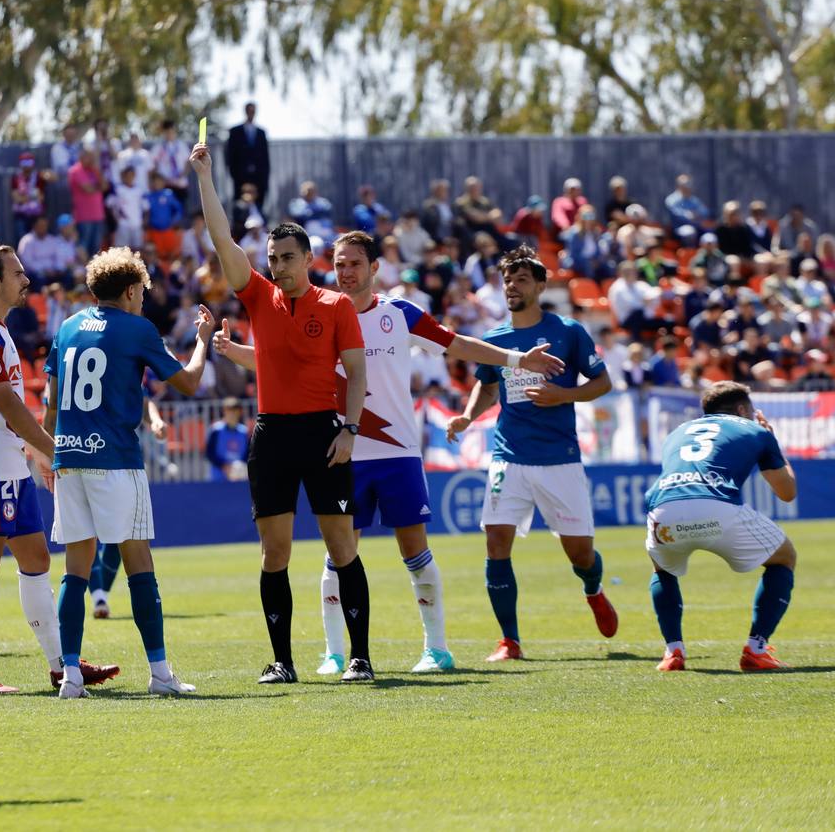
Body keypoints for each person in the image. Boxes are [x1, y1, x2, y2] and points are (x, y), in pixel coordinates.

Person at [217, 232, 564, 674]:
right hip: (340, 450)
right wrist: (233, 352)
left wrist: (516, 360)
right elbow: (275, 360)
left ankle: (436, 648)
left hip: (397, 450)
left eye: (355, 264)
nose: (346, 272)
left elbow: (456, 344)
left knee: (414, 549)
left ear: (374, 268)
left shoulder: (398, 314)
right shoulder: (323, 310)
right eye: (340, 264)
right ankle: (334, 653)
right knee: (338, 554)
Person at [193, 141, 373, 684]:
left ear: (308, 259)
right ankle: (283, 661)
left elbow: (357, 375)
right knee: (275, 552)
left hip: (323, 432)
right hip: (270, 436)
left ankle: (360, 658)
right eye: (272, 258)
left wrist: (350, 430)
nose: (278, 266)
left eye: (287, 257)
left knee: (342, 546)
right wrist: (205, 176)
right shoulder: (256, 296)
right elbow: (221, 236)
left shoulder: (337, 305)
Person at [0, 241, 121, 695]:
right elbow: (7, 405)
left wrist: (38, 452)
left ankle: (60, 664)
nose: (26, 280)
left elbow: (12, 409)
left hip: (6, 460)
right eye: (17, 273)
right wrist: (54, 450)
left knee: (37, 558)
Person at [42, 246, 212, 698]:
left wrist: (49, 456)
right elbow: (190, 383)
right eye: (142, 291)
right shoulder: (137, 329)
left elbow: (51, 403)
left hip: (69, 458)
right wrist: (203, 340)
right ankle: (160, 675)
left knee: (74, 572)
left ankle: (72, 677)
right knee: (139, 564)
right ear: (132, 289)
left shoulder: (68, 327)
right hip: (116, 459)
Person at [446, 246, 616, 662]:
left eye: (521, 279)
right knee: (496, 539)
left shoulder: (569, 331)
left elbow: (603, 382)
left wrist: (565, 395)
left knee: (579, 553)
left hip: (559, 457)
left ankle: (592, 587)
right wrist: (468, 417)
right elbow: (487, 386)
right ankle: (510, 640)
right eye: (507, 279)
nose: (512, 286)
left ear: (540, 286)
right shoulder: (495, 339)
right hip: (509, 455)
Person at [644, 381, 797, 672]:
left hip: (665, 509)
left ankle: (673, 651)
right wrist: (773, 441)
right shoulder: (755, 430)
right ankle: (756, 650)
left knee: (662, 569)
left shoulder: (678, 432)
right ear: (742, 409)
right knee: (785, 557)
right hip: (716, 507)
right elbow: (786, 492)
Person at [225, 102, 270, 214]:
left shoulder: (261, 132)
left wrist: (264, 177)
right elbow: (230, 154)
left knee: (258, 207)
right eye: (249, 111)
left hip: (258, 178)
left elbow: (265, 157)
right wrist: (235, 174)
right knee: (240, 207)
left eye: (253, 111)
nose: (251, 113)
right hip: (240, 177)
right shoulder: (235, 131)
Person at [68, 149, 108, 256]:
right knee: (83, 248)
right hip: (83, 217)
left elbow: (105, 186)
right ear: (81, 157)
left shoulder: (94, 170)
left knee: (96, 250)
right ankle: (82, 272)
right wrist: (98, 186)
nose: (92, 160)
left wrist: (97, 171)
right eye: (89, 157)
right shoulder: (75, 170)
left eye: (93, 157)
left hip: (98, 216)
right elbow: (88, 189)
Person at [205, 397, 250, 481]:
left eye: (234, 411)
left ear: (240, 412)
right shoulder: (216, 430)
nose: (232, 414)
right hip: (218, 478)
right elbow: (209, 453)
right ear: (224, 411)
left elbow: (248, 454)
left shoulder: (244, 432)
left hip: (239, 478)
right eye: (229, 411)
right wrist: (224, 466)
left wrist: (240, 466)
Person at [152, 119, 191, 205]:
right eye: (167, 132)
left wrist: (183, 174)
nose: (170, 134)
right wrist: (159, 181)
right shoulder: (158, 147)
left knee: (181, 212)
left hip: (180, 184)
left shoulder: (181, 146)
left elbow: (188, 163)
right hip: (165, 186)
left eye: (172, 131)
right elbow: (153, 166)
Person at [11, 152, 48, 237]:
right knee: (22, 240)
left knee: (38, 240)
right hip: (21, 216)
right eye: (24, 162)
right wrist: (33, 197)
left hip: (37, 216)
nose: (27, 166)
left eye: (29, 162)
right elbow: (17, 199)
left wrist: (24, 197)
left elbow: (41, 197)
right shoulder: (16, 178)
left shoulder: (39, 177)